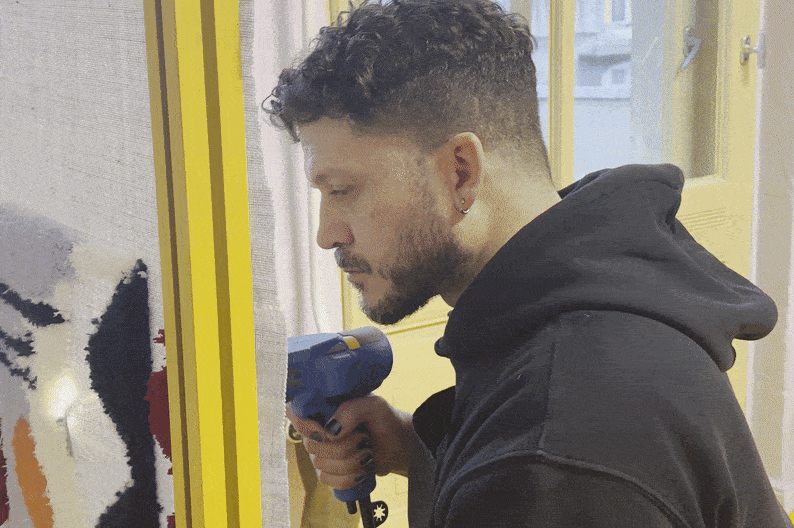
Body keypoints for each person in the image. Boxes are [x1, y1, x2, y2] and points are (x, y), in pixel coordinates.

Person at [264, 1, 792, 526]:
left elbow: (542, 472)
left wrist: (501, 474)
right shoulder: (606, 301)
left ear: (461, 172)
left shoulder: (551, 458)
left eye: (343, 190)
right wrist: (416, 450)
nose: (326, 234)